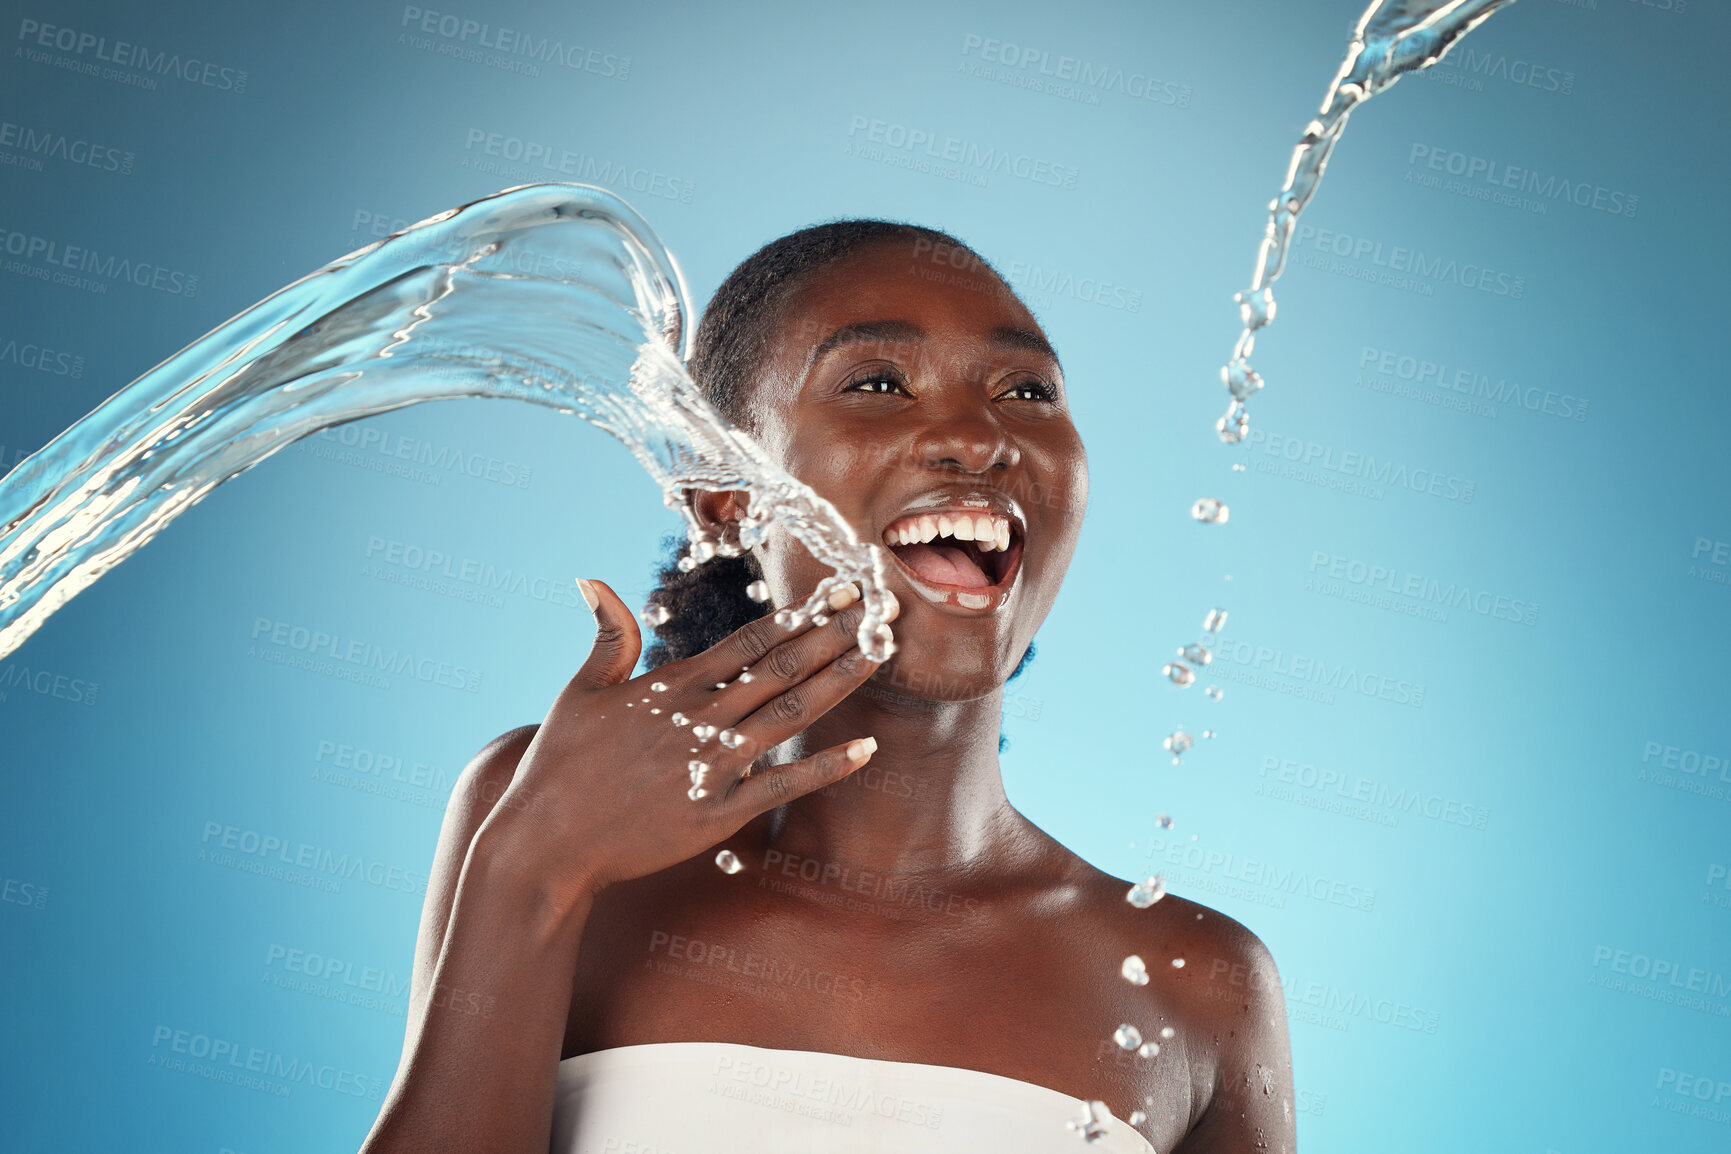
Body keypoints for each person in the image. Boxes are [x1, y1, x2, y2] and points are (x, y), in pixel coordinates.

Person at [359, 221, 1294, 1154]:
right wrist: (533, 868)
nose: (979, 436)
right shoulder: (539, 809)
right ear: (725, 494)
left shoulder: (1198, 984)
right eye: (878, 384)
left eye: (1026, 392)